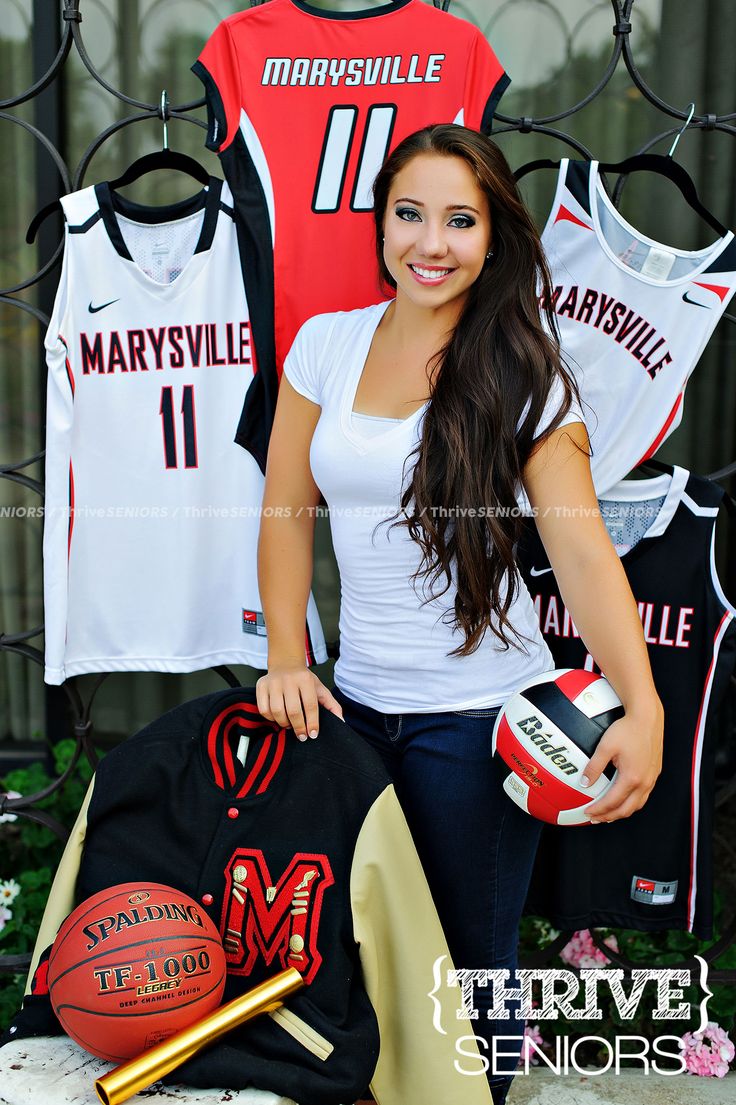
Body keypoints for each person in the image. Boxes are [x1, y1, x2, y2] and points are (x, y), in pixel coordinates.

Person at [255, 124, 663, 1105]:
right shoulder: (327, 343)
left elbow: (580, 551)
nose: (429, 243)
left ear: (491, 238)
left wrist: (641, 707)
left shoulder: (523, 372)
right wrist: (285, 655)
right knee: (348, 956)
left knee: (466, 971)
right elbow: (283, 510)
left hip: (481, 726)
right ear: (381, 222)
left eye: (458, 220)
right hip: (349, 712)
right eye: (409, 214)